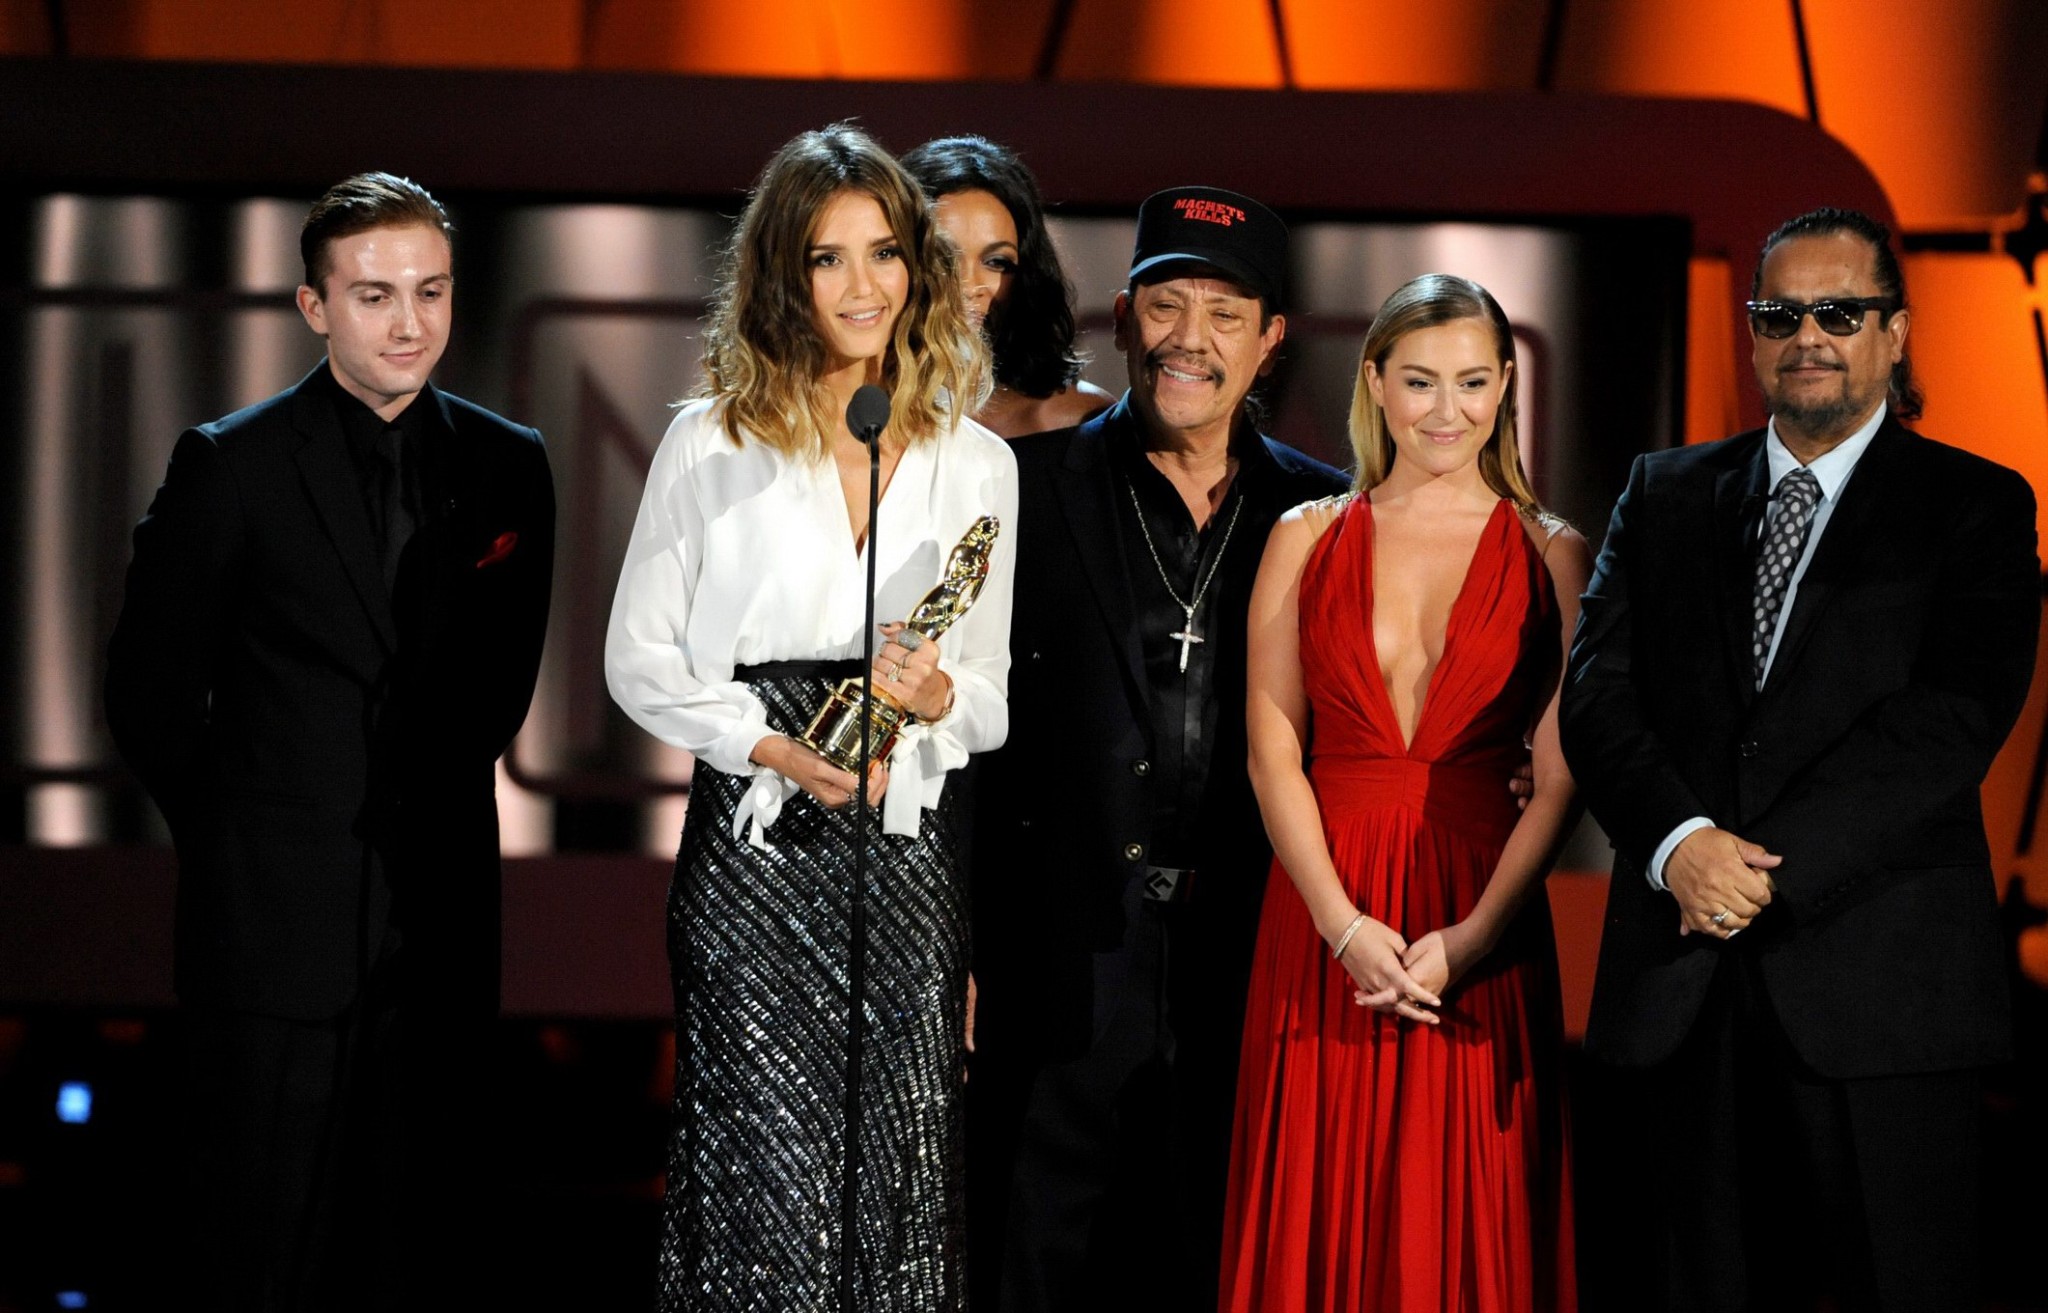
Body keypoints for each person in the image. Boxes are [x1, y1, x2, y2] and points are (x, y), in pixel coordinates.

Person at [1561, 207, 2039, 1312]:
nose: (1807, 333)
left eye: (1839, 310)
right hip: (1677, 995)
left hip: (1877, 996)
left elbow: (1950, 719)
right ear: (1751, 330)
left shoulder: (1973, 505)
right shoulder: (1661, 491)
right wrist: (1680, 847)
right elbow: (1594, 692)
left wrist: (1751, 872)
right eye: (1780, 312)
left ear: (1894, 331)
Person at [104, 172, 555, 1307]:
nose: (408, 322)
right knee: (262, 1253)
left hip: (443, 924)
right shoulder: (232, 464)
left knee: (425, 1253)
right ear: (314, 307)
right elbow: (149, 695)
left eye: (431, 291)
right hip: (272, 933)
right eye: (372, 294)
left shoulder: (511, 465)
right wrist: (249, 837)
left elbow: (501, 688)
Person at [603, 124, 1016, 1312]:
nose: (861, 286)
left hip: (905, 855)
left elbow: (986, 698)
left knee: (897, 1181)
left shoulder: (975, 460)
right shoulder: (708, 441)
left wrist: (934, 701)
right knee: (764, 1183)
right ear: (782, 273)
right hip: (757, 848)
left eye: (883, 254)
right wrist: (769, 742)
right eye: (827, 259)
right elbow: (638, 659)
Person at [967, 186, 1348, 1313]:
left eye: (1225, 313)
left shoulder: (1327, 518)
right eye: (1166, 304)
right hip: (1056, 960)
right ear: (1121, 320)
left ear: (1271, 338)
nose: (1191, 338)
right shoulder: (1019, 491)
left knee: (1213, 1264)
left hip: (1250, 964)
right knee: (1023, 1263)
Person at [1222, 274, 1585, 1312]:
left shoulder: (1555, 552)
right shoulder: (1304, 534)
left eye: (1471, 382)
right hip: (1321, 911)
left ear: (1505, 383)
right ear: (1373, 382)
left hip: (1478, 916)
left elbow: (1560, 779)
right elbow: (1270, 747)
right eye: (1418, 381)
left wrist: (1467, 940)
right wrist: (1339, 925)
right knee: (1312, 1207)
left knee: (1467, 1220)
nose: (1444, 410)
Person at [902, 135, 1114, 438]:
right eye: (943, 256)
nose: (968, 285)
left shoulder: (1085, 420)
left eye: (996, 262)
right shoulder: (844, 410)